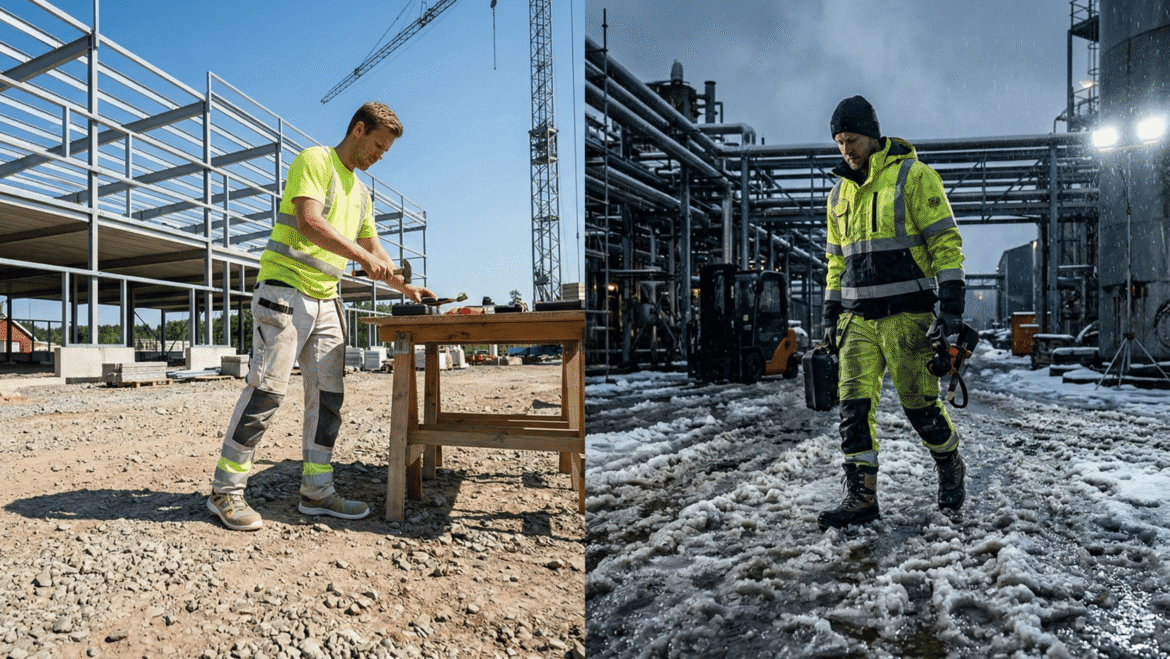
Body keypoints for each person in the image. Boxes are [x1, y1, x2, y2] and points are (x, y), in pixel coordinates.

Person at [207, 101, 434, 531]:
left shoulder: (361, 193)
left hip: (327, 299)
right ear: (358, 130)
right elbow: (309, 221)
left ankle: (317, 492)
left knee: (329, 398)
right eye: (379, 146)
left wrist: (406, 287)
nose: (381, 155)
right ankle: (226, 491)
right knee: (267, 392)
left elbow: (374, 249)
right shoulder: (315, 160)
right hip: (285, 292)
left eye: (387, 150)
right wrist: (363, 260)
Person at [818, 95, 967, 530]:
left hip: (908, 317)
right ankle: (862, 497)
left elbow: (944, 241)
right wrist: (830, 312)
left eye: (853, 139)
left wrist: (952, 306)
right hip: (856, 320)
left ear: (873, 135)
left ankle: (949, 464)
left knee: (921, 408)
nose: (847, 149)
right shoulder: (838, 195)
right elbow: (835, 261)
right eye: (840, 142)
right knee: (853, 408)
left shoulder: (914, 177)